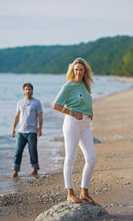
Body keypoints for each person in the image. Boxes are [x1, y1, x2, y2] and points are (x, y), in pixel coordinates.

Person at [53, 57, 96, 204]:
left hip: (85, 125)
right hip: (72, 123)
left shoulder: (85, 85)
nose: (78, 72)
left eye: (81, 69)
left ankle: (84, 192)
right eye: (76, 69)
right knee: (70, 158)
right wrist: (73, 113)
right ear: (73, 71)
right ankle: (70, 193)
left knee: (91, 158)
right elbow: (56, 105)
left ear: (85, 71)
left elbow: (85, 101)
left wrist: (90, 112)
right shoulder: (68, 86)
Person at [11, 83, 43, 178]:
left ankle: (35, 170)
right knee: (18, 152)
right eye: (26, 89)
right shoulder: (20, 102)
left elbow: (40, 116)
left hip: (32, 131)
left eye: (29, 89)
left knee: (32, 151)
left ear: (32, 91)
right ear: (23, 91)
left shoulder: (37, 102)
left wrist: (40, 129)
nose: (28, 91)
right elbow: (17, 116)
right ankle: (15, 171)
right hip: (21, 132)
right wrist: (13, 129)